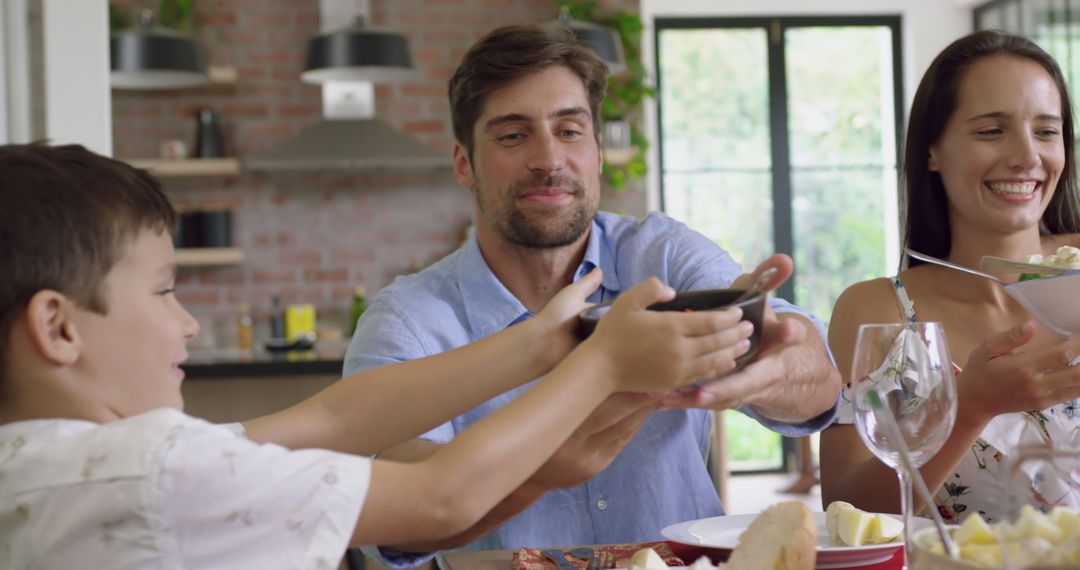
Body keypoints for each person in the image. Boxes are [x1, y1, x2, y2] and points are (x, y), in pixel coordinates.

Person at [0, 143, 751, 568]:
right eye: (165, 292)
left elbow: (333, 415)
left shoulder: (53, 464)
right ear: (59, 327)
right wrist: (603, 366)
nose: (189, 324)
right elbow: (441, 498)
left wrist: (532, 347)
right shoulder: (156, 471)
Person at [344, 22, 841, 565]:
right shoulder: (408, 318)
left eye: (570, 130)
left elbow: (818, 380)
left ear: (598, 151)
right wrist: (538, 463)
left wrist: (759, 371)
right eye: (513, 135)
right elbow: (386, 500)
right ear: (464, 163)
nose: (549, 159)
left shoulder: (664, 255)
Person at [822, 30, 1080, 523]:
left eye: (1047, 131)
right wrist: (968, 410)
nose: (1027, 156)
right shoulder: (879, 311)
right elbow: (845, 514)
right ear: (931, 152)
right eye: (990, 131)